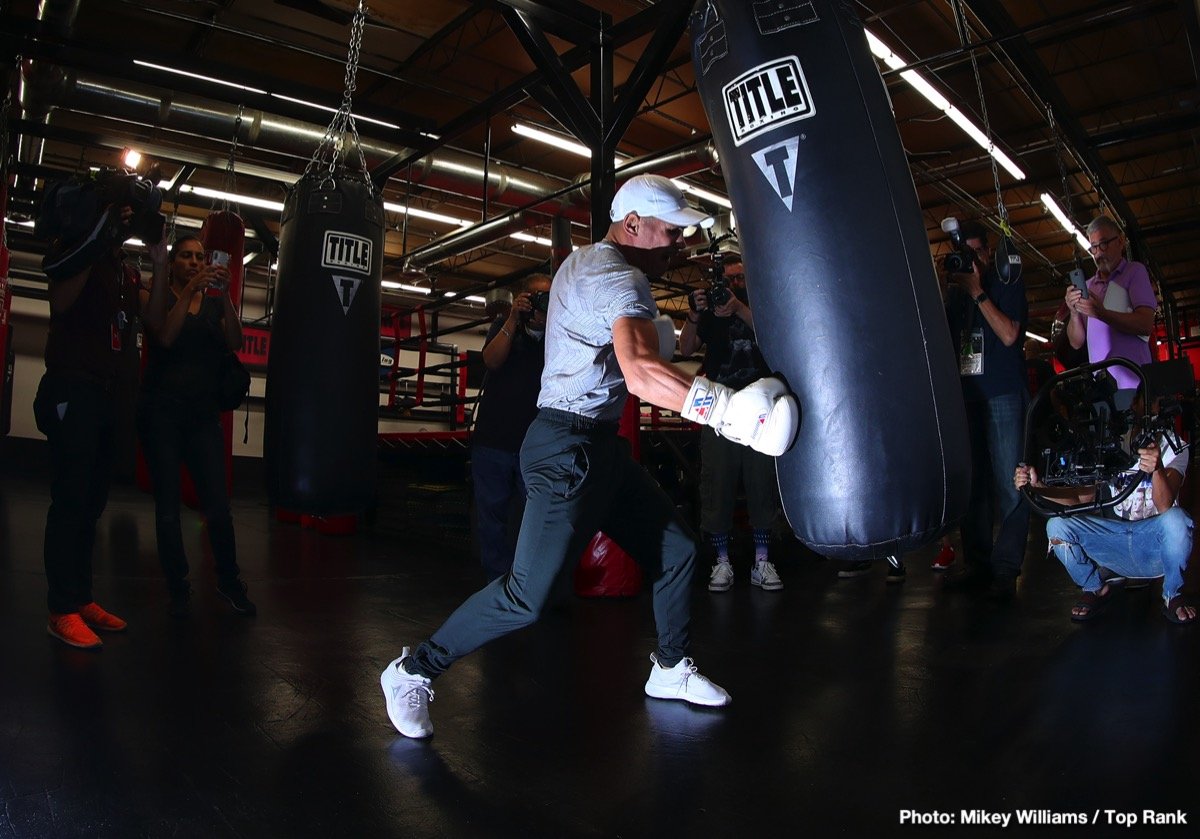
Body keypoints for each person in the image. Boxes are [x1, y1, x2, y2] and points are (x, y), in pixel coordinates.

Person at [380, 174, 798, 738]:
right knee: (526, 597)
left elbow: (628, 344)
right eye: (670, 230)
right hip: (564, 449)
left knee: (676, 549)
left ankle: (670, 668)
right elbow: (642, 373)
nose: (679, 241)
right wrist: (729, 411)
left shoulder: (583, 265)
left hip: (598, 448)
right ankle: (412, 669)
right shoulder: (615, 276)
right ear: (632, 225)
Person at [35, 204, 156, 648]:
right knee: (69, 501)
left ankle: (80, 598)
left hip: (109, 396)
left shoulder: (124, 271)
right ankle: (60, 609)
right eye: (120, 216)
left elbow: (156, 318)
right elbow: (60, 301)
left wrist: (160, 258)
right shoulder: (76, 249)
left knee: (90, 504)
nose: (125, 225)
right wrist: (96, 237)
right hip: (73, 387)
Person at [138, 236, 255, 617]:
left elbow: (235, 342)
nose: (193, 262)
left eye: (199, 257)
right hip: (164, 416)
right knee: (168, 509)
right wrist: (190, 289)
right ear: (172, 263)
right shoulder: (157, 296)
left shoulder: (215, 300)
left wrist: (227, 296)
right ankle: (177, 583)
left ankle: (229, 580)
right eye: (186, 257)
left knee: (219, 508)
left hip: (203, 417)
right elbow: (165, 337)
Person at [1014, 409, 1194, 625]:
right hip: (1115, 543)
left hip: (1155, 545)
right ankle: (1095, 587)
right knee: (1058, 525)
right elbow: (1079, 498)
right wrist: (1036, 486)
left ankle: (1172, 594)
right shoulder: (1115, 442)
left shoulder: (1175, 445)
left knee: (1177, 520)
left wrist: (1157, 469)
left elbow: (1165, 504)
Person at [678, 259, 782, 592]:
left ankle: (762, 561)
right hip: (720, 408)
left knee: (761, 482)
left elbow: (774, 336)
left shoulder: (761, 302)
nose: (732, 285)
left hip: (761, 406)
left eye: (740, 277)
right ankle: (721, 562)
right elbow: (686, 347)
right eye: (729, 279)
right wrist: (694, 313)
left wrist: (739, 308)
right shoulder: (708, 309)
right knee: (717, 482)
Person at [942, 221, 1030, 600]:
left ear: (989, 252)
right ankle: (977, 563)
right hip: (969, 395)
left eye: (978, 252)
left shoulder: (1006, 282)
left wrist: (978, 292)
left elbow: (1010, 335)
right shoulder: (958, 294)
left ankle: (1007, 567)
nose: (972, 260)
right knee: (974, 486)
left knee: (1011, 484)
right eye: (966, 254)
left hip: (1003, 393)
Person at [471, 274, 551, 581]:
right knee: (491, 519)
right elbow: (491, 360)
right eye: (537, 297)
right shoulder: (505, 328)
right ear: (524, 299)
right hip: (493, 440)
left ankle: (530, 582)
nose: (544, 303)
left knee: (536, 519)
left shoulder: (556, 337)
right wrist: (513, 318)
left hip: (533, 445)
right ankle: (496, 582)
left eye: (549, 297)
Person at [1064, 215, 1156, 404]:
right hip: (1101, 387)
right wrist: (1073, 312)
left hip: (1134, 383)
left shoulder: (1134, 272)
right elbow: (1076, 342)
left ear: (1120, 241)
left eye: (1104, 244)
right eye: (1094, 247)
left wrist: (1102, 314)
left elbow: (1146, 324)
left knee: (1134, 433)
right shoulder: (1088, 286)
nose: (1098, 253)